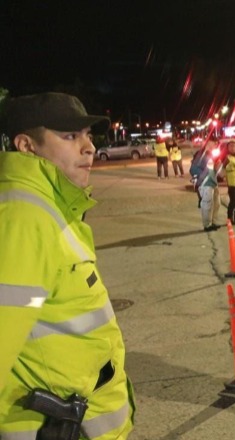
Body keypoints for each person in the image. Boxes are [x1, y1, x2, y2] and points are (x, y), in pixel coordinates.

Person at [0, 92, 135, 438]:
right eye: (70, 136)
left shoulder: (49, 206)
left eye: (87, 135)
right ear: (26, 146)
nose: (89, 147)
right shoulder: (25, 218)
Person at [199, 158, 222, 231]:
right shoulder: (204, 156)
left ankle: (213, 222)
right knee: (207, 206)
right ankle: (207, 225)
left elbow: (217, 171)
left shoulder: (217, 156)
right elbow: (194, 169)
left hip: (214, 183)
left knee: (217, 204)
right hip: (206, 184)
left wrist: (217, 165)